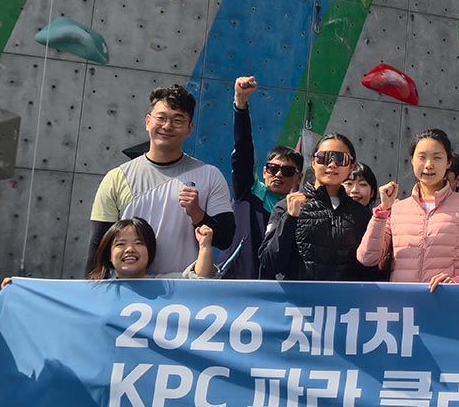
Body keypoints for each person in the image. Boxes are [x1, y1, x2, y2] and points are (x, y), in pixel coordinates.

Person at [89, 84, 235, 277]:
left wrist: (198, 214)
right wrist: (91, 291)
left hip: (183, 290)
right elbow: (98, 246)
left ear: (190, 128)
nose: (167, 126)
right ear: (148, 121)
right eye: (161, 118)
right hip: (129, 290)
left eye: (178, 120)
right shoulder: (116, 178)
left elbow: (225, 239)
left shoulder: (210, 175)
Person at [357, 129, 459, 288]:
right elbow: (367, 258)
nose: (429, 165)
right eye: (422, 157)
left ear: (448, 162)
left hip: (447, 299)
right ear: (412, 161)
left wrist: (457, 282)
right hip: (402, 301)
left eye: (437, 158)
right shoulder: (396, 209)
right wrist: (382, 211)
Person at [260, 133, 380, 282]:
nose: (332, 164)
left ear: (351, 166)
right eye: (324, 157)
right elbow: (268, 264)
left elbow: (369, 270)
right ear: (313, 162)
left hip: (344, 297)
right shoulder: (287, 206)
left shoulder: (361, 214)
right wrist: (289, 219)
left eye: (340, 159)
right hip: (298, 297)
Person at [225, 76, 300, 279]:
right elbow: (243, 151)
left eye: (287, 171)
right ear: (264, 171)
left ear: (299, 178)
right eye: (273, 168)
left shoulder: (299, 211)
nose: (278, 174)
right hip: (234, 283)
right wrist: (240, 104)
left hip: (276, 292)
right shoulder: (248, 191)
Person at [86, 217, 215, 280]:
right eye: (120, 244)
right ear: (109, 254)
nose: (130, 249)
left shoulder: (166, 286)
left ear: (150, 251)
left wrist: (204, 245)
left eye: (138, 243)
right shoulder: (97, 292)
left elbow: (200, 280)